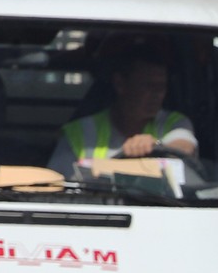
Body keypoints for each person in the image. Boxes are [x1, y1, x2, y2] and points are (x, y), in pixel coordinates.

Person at [48, 38, 196, 177]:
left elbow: (184, 147)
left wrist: (157, 147)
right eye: (149, 86)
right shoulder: (80, 132)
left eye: (161, 87)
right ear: (120, 84)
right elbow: (56, 184)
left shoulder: (175, 123)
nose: (157, 94)